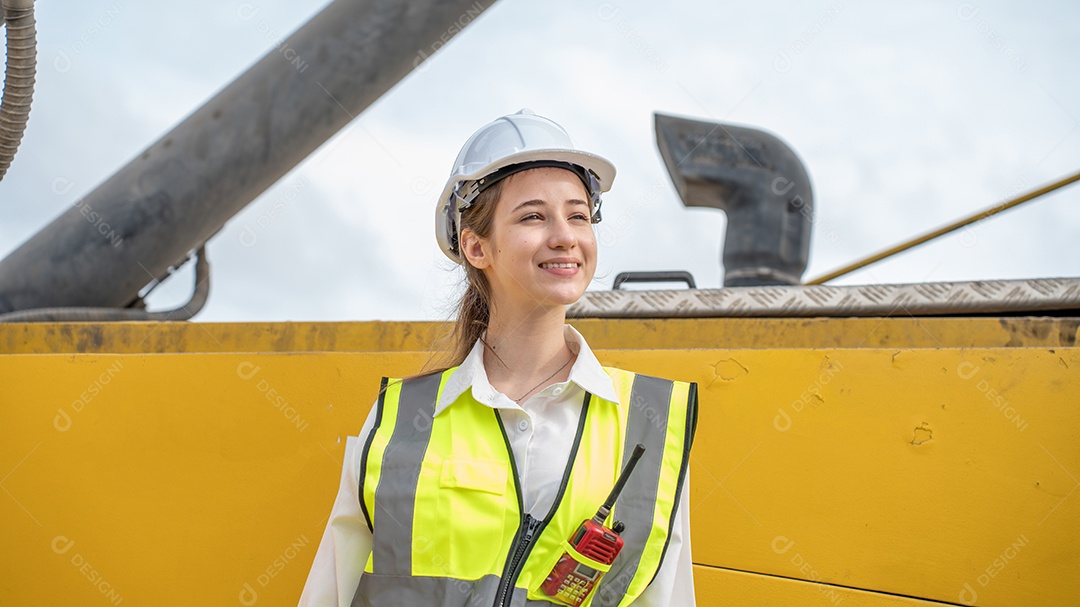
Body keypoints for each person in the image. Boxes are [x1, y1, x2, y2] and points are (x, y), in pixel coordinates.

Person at [299, 109, 697, 607]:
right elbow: (329, 595)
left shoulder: (649, 421)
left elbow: (664, 596)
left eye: (577, 214)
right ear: (476, 246)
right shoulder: (401, 421)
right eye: (533, 216)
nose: (564, 235)